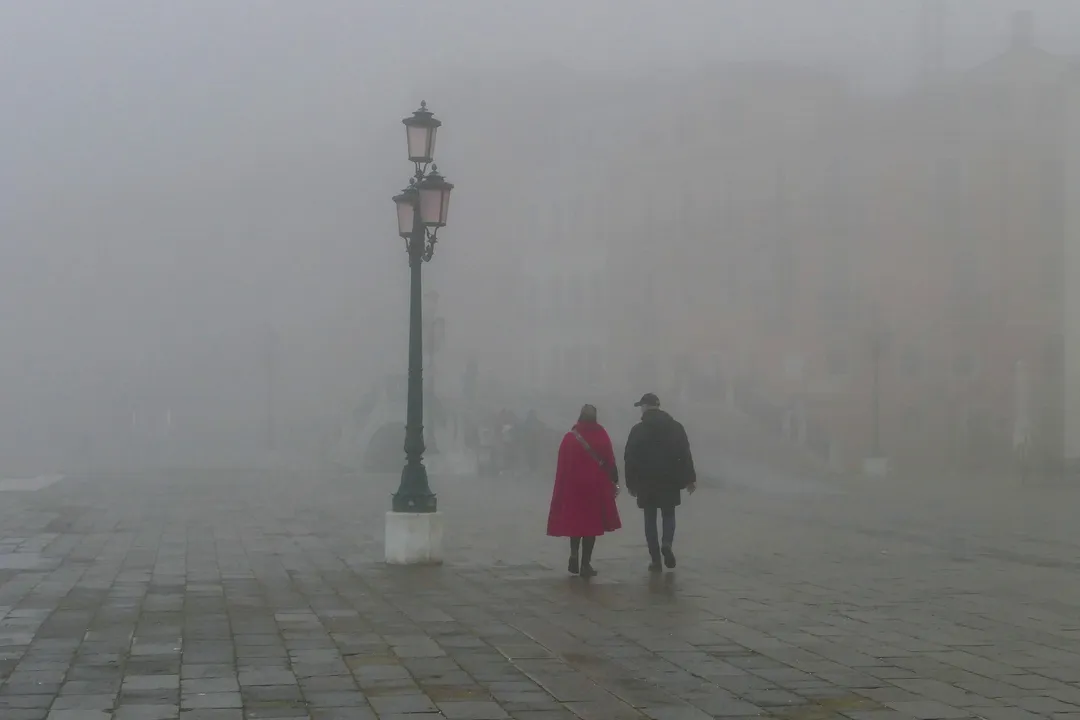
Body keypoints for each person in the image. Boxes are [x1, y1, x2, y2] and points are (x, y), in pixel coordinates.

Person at [546, 404, 622, 577]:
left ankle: (574, 553)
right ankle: (585, 564)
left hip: (573, 488)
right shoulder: (601, 435)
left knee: (576, 523)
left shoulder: (570, 438)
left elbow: (562, 466)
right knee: (591, 526)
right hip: (594, 488)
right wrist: (614, 480)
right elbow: (609, 460)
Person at [624, 393, 696, 572]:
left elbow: (630, 457)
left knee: (650, 518)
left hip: (646, 481)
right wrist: (690, 479)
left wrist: (630, 483)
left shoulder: (638, 430)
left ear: (645, 407)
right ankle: (667, 544)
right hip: (669, 480)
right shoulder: (676, 428)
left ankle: (655, 560)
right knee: (668, 514)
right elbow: (685, 454)